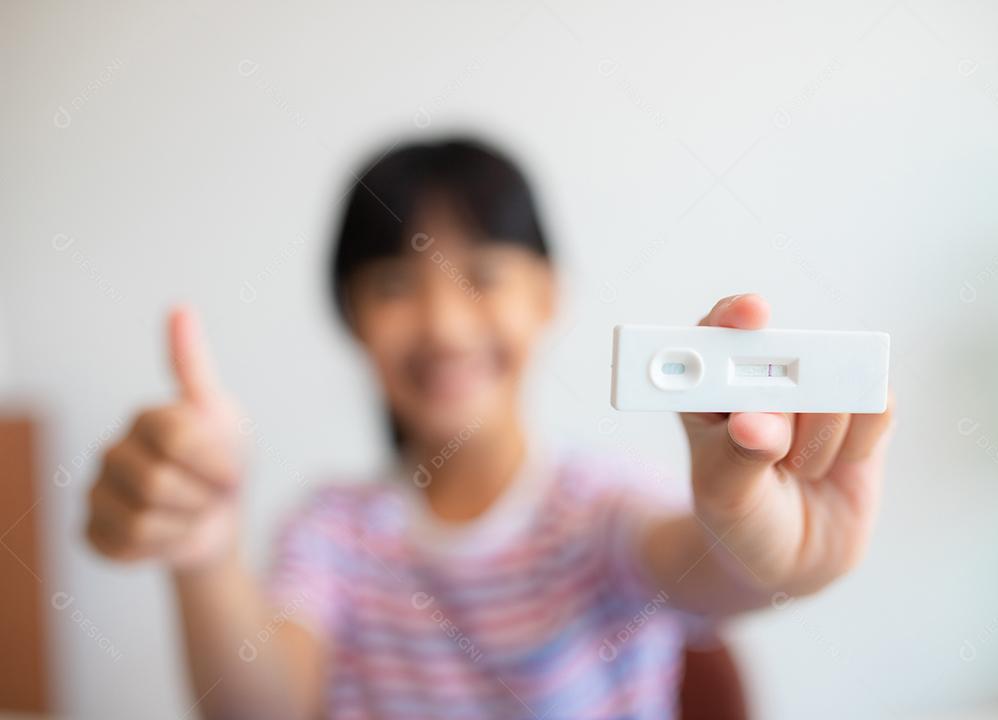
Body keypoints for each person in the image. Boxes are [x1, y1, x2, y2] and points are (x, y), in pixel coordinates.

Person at [85, 137, 895, 719]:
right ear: (353, 319)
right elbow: (261, 706)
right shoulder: (331, 531)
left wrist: (771, 556)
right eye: (396, 282)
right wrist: (205, 554)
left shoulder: (600, 509)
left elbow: (703, 562)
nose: (443, 323)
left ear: (549, 297)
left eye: (483, 276)